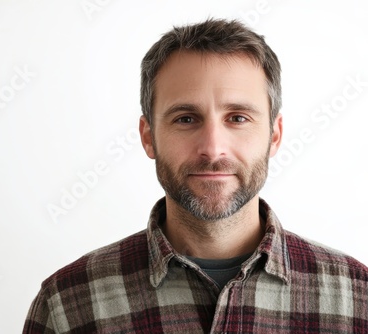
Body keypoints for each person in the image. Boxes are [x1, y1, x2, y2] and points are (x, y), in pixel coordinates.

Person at [23, 18, 368, 333]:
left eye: (238, 118)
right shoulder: (67, 304)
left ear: (274, 135)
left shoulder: (357, 298)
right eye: (186, 118)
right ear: (148, 136)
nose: (213, 148)